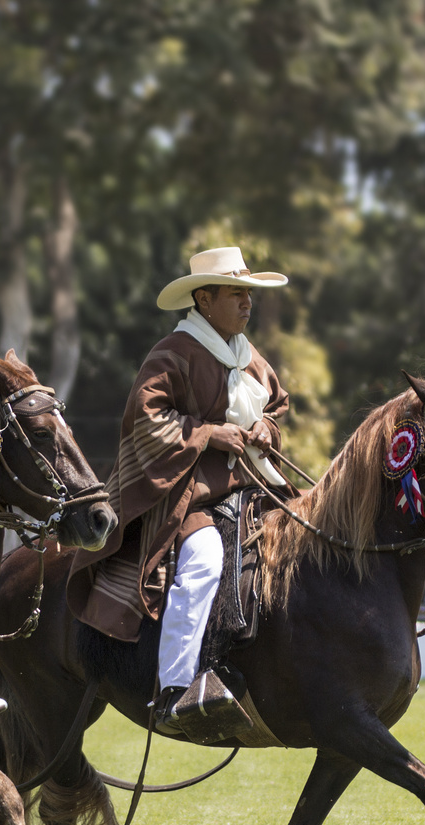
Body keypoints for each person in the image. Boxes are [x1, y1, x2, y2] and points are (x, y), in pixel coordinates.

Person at [66, 246, 290, 733]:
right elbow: (145, 421)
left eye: (249, 295)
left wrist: (266, 431)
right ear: (205, 300)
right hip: (188, 494)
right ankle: (175, 688)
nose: (248, 303)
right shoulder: (174, 352)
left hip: (251, 488)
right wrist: (210, 434)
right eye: (237, 294)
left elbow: (275, 406)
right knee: (206, 558)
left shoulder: (249, 357)